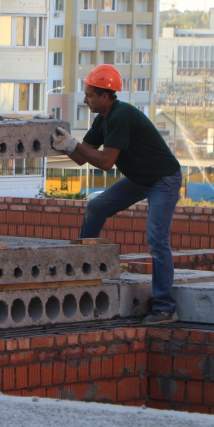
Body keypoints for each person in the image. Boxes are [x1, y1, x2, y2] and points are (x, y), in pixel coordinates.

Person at [52, 64, 182, 325]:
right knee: (97, 207)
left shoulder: (121, 116)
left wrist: (73, 145)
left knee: (157, 239)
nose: (86, 99)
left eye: (89, 95)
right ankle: (83, 267)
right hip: (139, 178)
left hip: (163, 180)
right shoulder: (103, 119)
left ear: (105, 95)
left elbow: (105, 162)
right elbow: (82, 157)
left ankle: (165, 307)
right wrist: (62, 144)